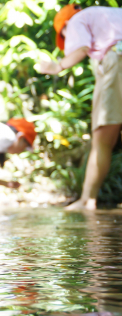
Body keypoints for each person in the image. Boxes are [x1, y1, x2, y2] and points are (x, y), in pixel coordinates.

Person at [37, 4, 122, 210]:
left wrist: (57, 66)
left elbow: (82, 48)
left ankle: (87, 200)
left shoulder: (76, 20)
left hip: (116, 59)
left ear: (64, 27)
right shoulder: (109, 14)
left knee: (102, 137)